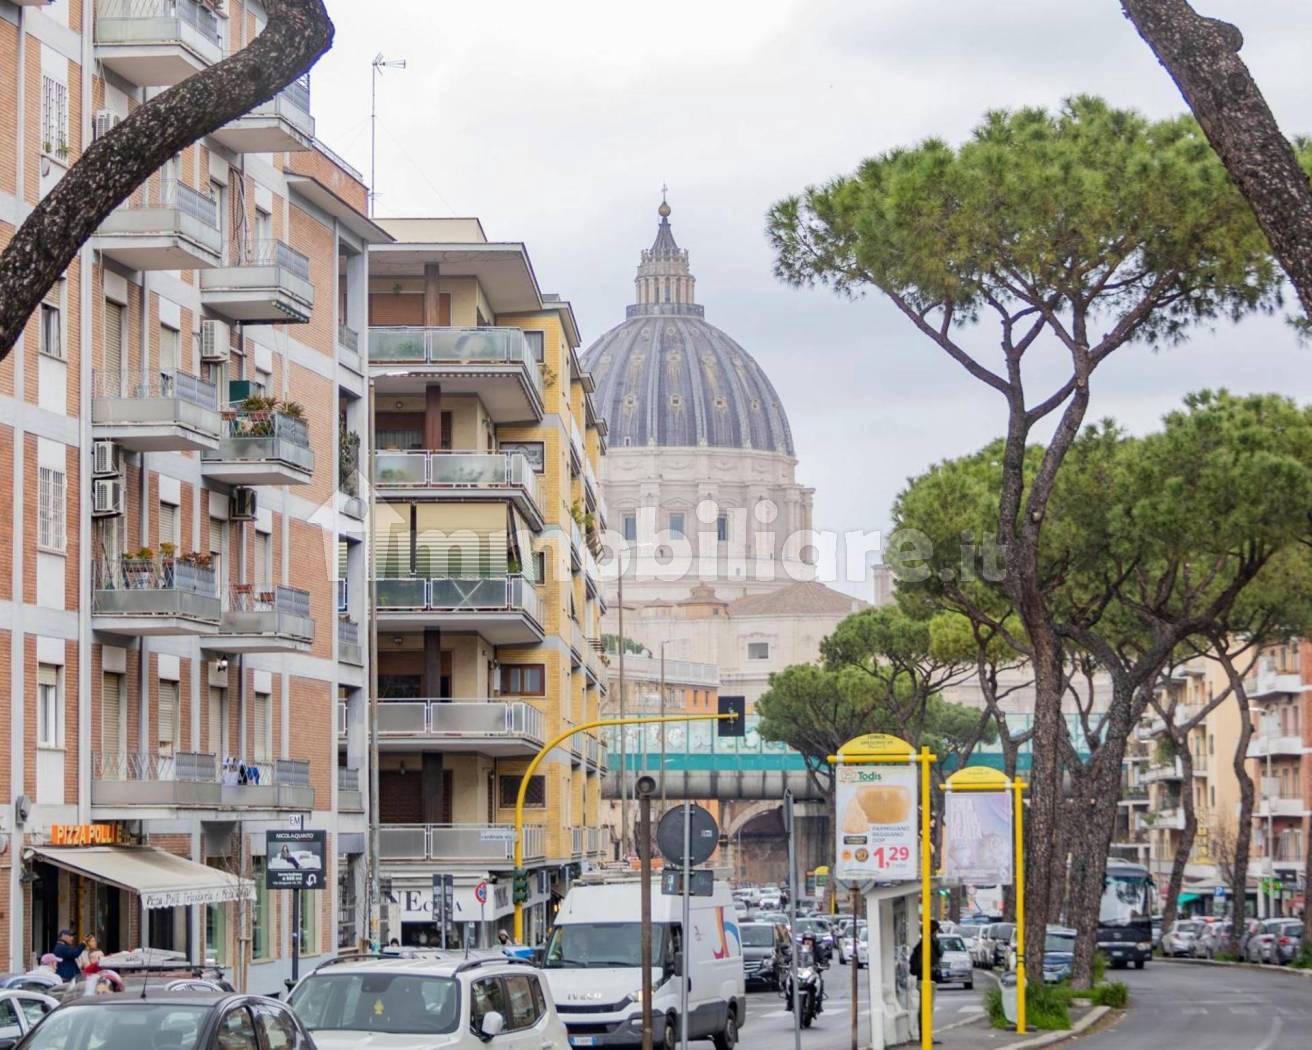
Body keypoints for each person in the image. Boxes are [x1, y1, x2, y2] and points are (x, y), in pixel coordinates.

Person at [908, 921, 943, 1044]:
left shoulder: (924, 944)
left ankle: (925, 1035)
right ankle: (925, 1036)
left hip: (924, 980)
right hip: (927, 980)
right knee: (926, 1010)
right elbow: (927, 963)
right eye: (936, 932)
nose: (937, 935)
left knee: (926, 1009)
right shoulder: (926, 945)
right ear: (932, 932)